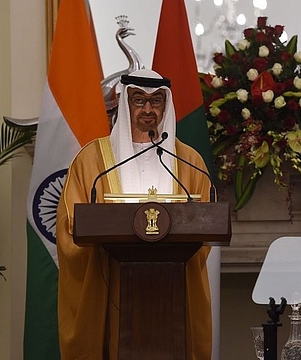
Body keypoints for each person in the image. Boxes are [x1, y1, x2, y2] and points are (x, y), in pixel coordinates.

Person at [55, 68, 212, 359]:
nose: (149, 110)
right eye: (139, 101)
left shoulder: (188, 161)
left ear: (167, 106)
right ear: (125, 106)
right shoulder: (92, 160)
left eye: (156, 102)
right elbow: (69, 227)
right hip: (110, 285)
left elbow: (203, 229)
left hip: (173, 290)